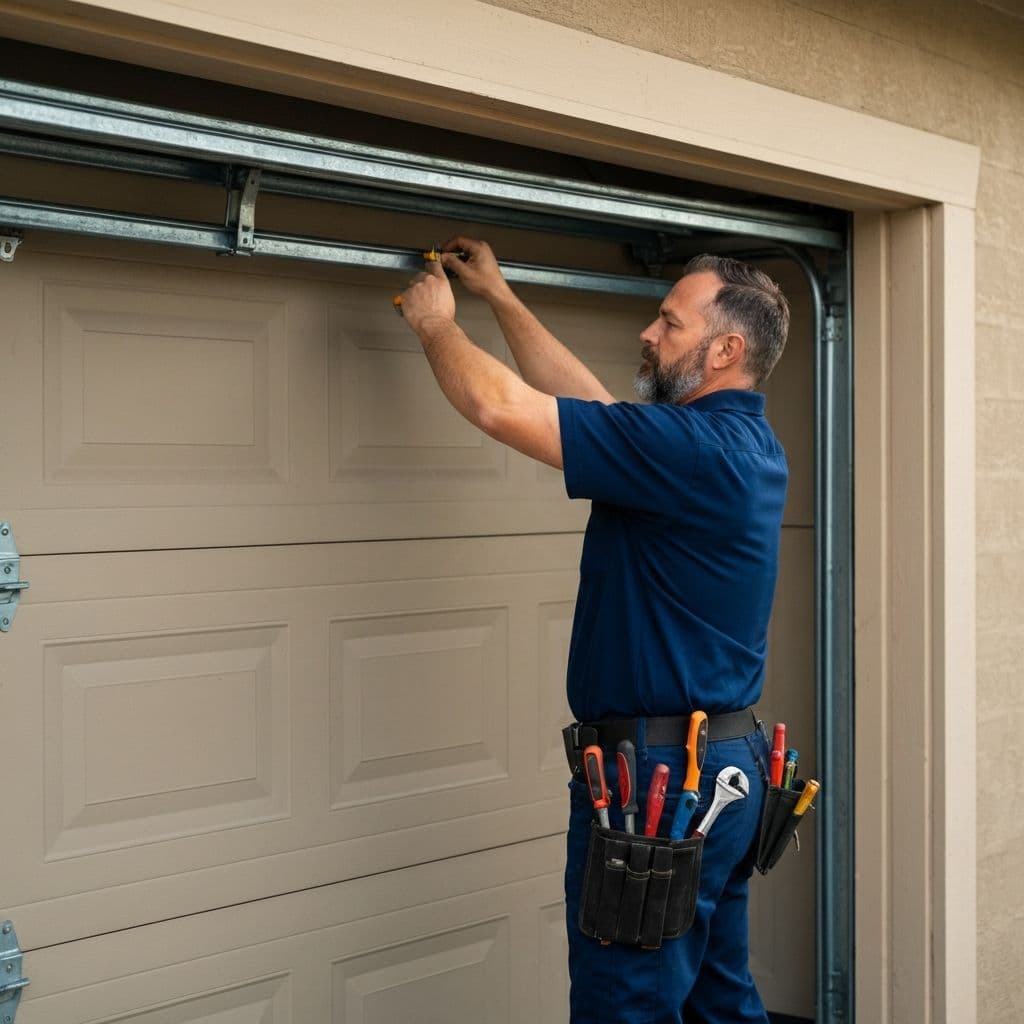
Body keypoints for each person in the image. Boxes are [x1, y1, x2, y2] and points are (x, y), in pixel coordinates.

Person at [396, 236, 790, 1024]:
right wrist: (500, 298)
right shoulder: (734, 445)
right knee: (720, 1000)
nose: (649, 333)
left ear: (725, 349)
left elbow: (501, 406)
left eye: (670, 324)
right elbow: (598, 413)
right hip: (720, 767)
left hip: (658, 785)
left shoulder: (691, 452)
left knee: (628, 1008)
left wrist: (438, 325)